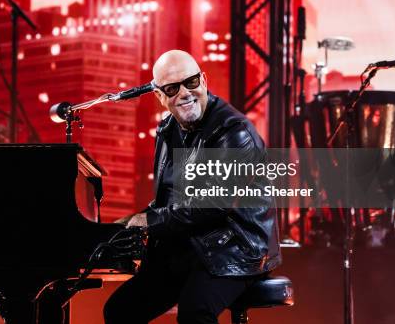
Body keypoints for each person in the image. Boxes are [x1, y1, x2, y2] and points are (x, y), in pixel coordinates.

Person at [104, 50, 281, 324]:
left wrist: (146, 221)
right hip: (189, 244)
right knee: (120, 310)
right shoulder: (167, 131)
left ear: (204, 80)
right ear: (159, 96)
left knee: (194, 312)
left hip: (236, 246)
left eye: (191, 82)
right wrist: (122, 226)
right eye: (173, 88)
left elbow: (211, 204)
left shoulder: (235, 132)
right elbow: (168, 201)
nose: (185, 93)